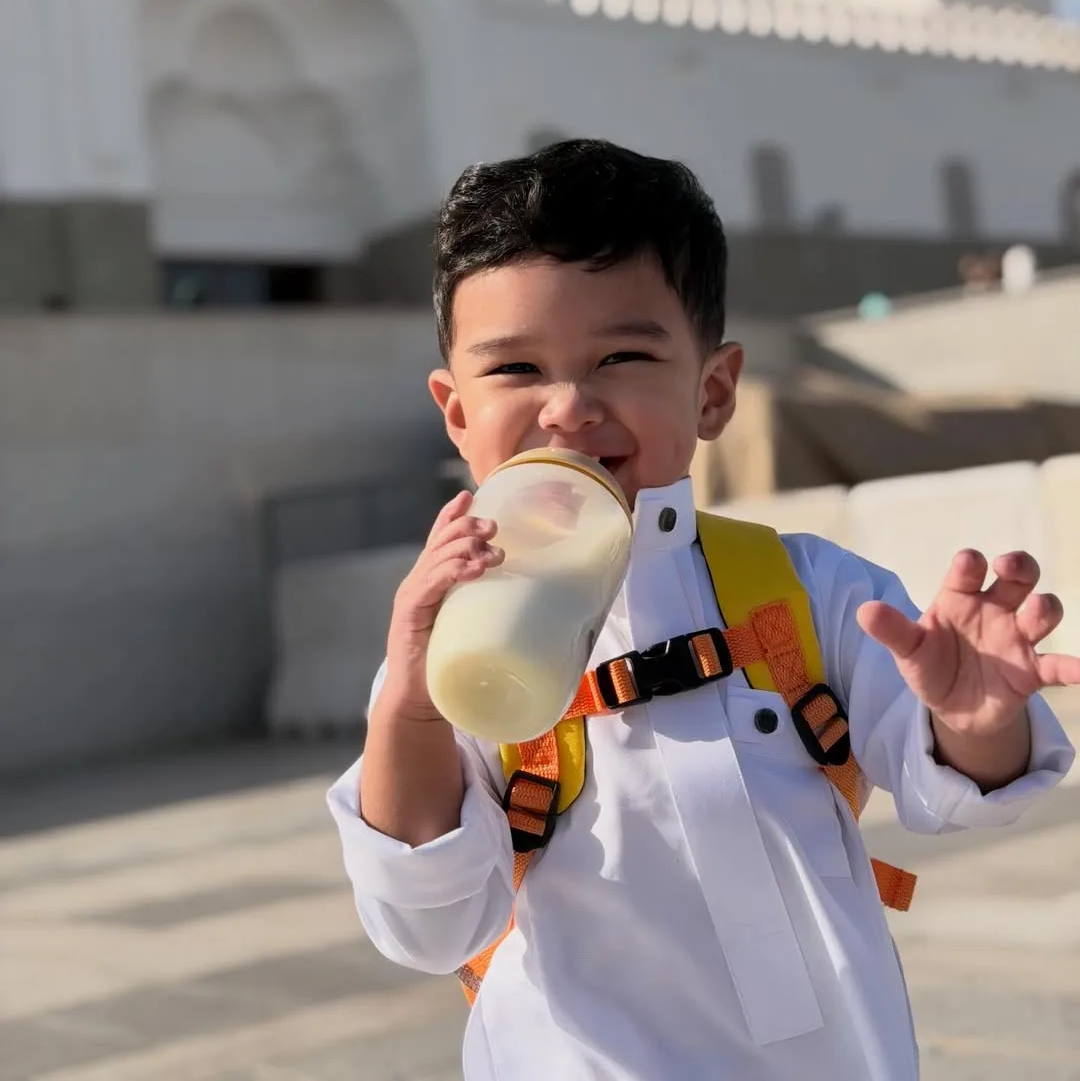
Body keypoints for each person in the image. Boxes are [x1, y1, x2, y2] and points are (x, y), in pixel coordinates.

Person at [328, 139, 1076, 1080]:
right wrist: (412, 700)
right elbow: (427, 926)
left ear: (713, 390)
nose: (567, 407)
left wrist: (975, 723)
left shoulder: (809, 589)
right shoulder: (449, 644)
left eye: (623, 356)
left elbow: (955, 788)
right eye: (515, 370)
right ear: (456, 412)